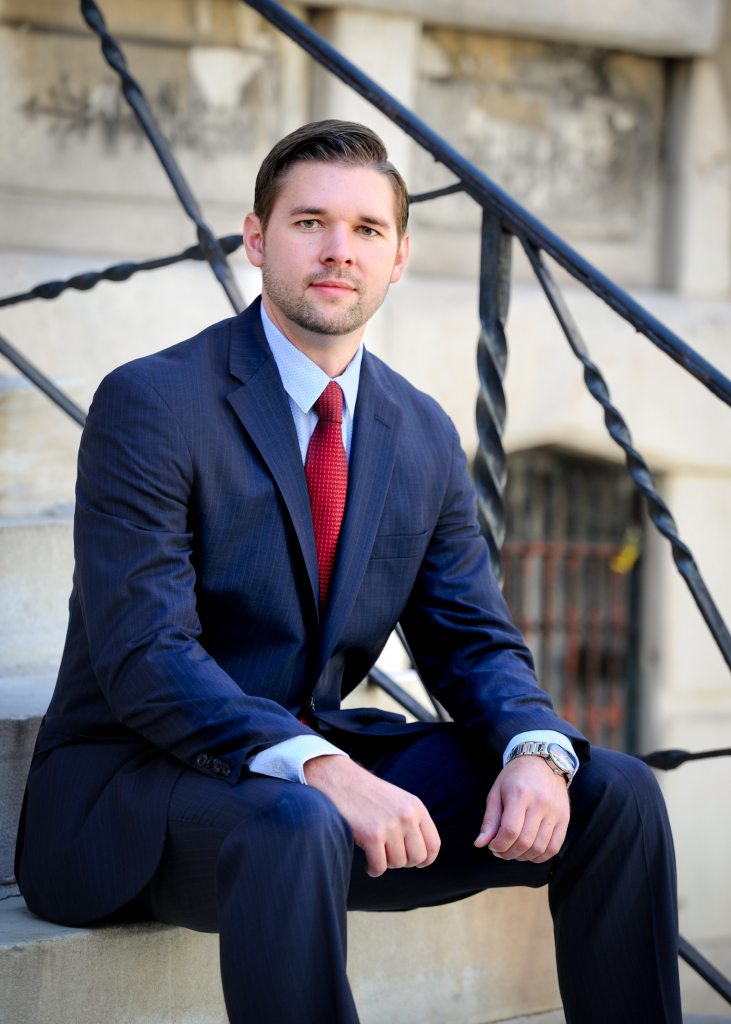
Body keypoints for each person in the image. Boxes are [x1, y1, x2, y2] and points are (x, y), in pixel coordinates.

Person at [16, 120, 682, 1024]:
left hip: (316, 780)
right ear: (256, 239)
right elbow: (147, 657)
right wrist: (320, 766)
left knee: (611, 790)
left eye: (367, 230)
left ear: (400, 255)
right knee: (299, 818)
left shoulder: (419, 432)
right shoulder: (153, 404)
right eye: (309, 223)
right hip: (139, 792)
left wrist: (531, 748)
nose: (339, 251)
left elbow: (473, 640)